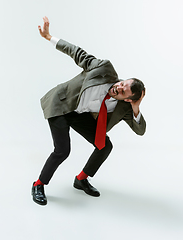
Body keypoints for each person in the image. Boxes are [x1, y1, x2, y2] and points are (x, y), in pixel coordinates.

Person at [32, 16, 146, 206]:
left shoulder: (126, 107)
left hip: (79, 114)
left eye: (124, 91)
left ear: (127, 98)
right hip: (61, 104)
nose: (119, 87)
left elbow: (140, 131)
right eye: (123, 83)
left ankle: (81, 179)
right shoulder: (103, 68)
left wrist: (136, 108)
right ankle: (38, 184)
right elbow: (76, 52)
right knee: (62, 150)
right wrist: (49, 37)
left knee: (105, 145)